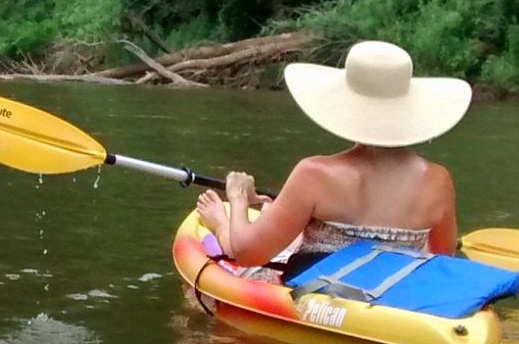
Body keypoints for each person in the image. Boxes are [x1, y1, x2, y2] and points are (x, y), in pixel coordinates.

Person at [194, 40, 469, 280]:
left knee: (248, 259)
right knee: (275, 218)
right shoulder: (438, 181)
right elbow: (442, 258)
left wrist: (238, 199)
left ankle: (222, 222)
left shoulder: (314, 174)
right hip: (391, 299)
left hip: (322, 299)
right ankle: (268, 210)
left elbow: (247, 253)